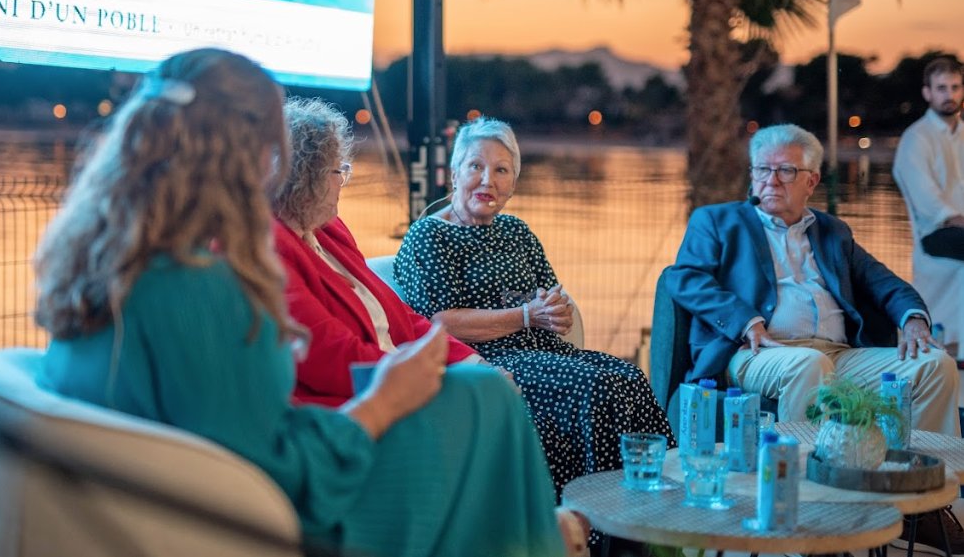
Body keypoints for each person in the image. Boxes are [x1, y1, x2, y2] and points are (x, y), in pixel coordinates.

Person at [34, 50, 580, 557]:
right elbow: (283, 472)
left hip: (168, 499)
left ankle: (528, 535)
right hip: (266, 514)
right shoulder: (198, 286)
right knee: (484, 408)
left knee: (483, 403)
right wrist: (383, 402)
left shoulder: (109, 257)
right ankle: (534, 537)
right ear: (255, 159)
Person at [665, 122, 964, 550]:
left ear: (812, 180)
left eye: (785, 171)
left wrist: (914, 319)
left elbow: (885, 284)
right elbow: (685, 279)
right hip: (758, 350)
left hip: (839, 354)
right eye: (762, 170)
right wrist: (747, 320)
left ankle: (920, 506)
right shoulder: (717, 221)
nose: (771, 180)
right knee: (808, 365)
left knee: (934, 365)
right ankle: (803, 512)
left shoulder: (832, 232)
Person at [394, 116, 675, 494]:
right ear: (454, 173)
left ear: (513, 184)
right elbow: (439, 321)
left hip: (542, 350)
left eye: (501, 170)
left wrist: (557, 309)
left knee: (629, 378)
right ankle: (600, 519)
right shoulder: (430, 235)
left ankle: (656, 506)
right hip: (484, 358)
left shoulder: (517, 230)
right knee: (595, 387)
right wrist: (526, 316)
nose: (487, 180)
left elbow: (551, 296)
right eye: (475, 166)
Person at [272, 98, 485, 407]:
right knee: (493, 406)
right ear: (308, 178)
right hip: (363, 398)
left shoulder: (330, 230)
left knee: (496, 389)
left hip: (398, 375)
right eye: (338, 171)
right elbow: (330, 355)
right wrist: (432, 380)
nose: (343, 183)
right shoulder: (273, 247)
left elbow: (400, 317)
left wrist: (473, 364)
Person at [894, 56, 964, 360]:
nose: (949, 95)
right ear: (927, 93)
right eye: (941, 88)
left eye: (955, 87)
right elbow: (929, 203)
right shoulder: (916, 138)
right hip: (935, 233)